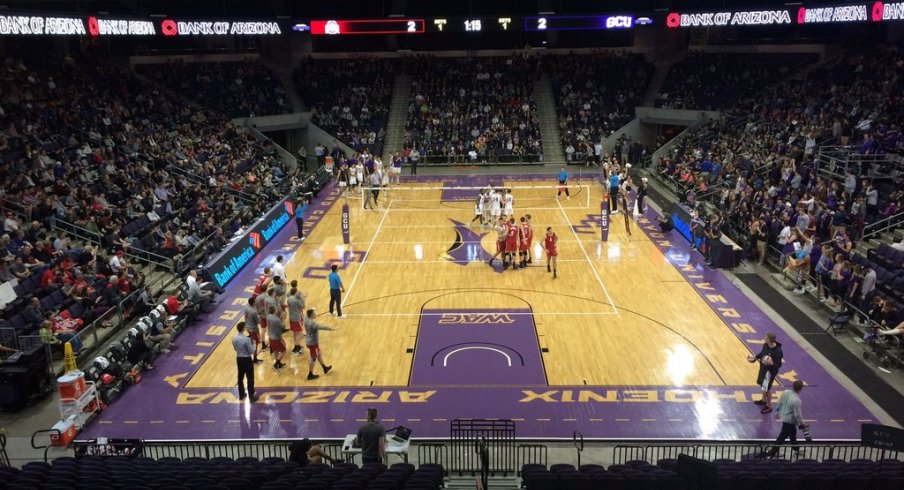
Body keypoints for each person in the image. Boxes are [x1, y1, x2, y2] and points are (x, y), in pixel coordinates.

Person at [765, 380, 806, 458]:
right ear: (801, 389)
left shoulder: (786, 392)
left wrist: (778, 411)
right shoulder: (797, 400)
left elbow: (780, 402)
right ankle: (772, 453)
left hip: (784, 417)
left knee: (793, 434)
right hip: (789, 421)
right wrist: (803, 424)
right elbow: (798, 415)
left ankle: (796, 449)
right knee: (782, 437)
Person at [748, 333, 783, 414]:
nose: (764, 338)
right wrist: (755, 358)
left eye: (766, 338)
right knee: (762, 385)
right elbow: (762, 354)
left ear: (769, 340)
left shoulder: (778, 352)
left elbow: (778, 366)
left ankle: (768, 406)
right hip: (763, 369)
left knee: (767, 389)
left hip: (770, 372)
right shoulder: (765, 345)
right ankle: (763, 400)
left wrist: (771, 363)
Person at [303, 309, 335, 380]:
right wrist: (331, 328)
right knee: (313, 358)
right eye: (314, 313)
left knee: (319, 354)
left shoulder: (306, 320)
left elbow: (305, 315)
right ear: (311, 315)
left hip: (308, 341)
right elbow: (323, 327)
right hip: (313, 343)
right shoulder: (313, 324)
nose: (315, 314)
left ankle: (325, 368)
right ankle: (310, 374)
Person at [233, 321, 259, 402]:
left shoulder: (234, 338)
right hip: (247, 359)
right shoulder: (246, 339)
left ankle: (241, 395)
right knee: (250, 377)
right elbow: (251, 351)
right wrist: (254, 344)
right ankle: (251, 396)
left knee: (240, 377)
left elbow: (235, 348)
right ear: (244, 329)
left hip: (239, 359)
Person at [267, 305, 287, 372]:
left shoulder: (268, 316)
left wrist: (280, 319)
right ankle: (276, 364)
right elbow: (283, 327)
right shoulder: (276, 319)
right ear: (275, 311)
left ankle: (279, 364)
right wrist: (283, 319)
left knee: (275, 351)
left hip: (270, 337)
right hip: (277, 338)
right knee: (284, 351)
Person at [244, 297, 263, 363]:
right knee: (255, 344)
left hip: (248, 327)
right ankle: (254, 358)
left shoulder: (246, 307)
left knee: (253, 342)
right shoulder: (254, 312)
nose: (255, 302)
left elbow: (245, 316)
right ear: (253, 303)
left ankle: (253, 357)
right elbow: (258, 322)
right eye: (255, 302)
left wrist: (246, 325)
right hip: (254, 329)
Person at [288, 287, 307, 355]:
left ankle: (298, 345)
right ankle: (296, 348)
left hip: (291, 317)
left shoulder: (289, 298)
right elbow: (303, 306)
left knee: (295, 332)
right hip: (297, 318)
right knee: (300, 332)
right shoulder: (296, 300)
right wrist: (303, 298)